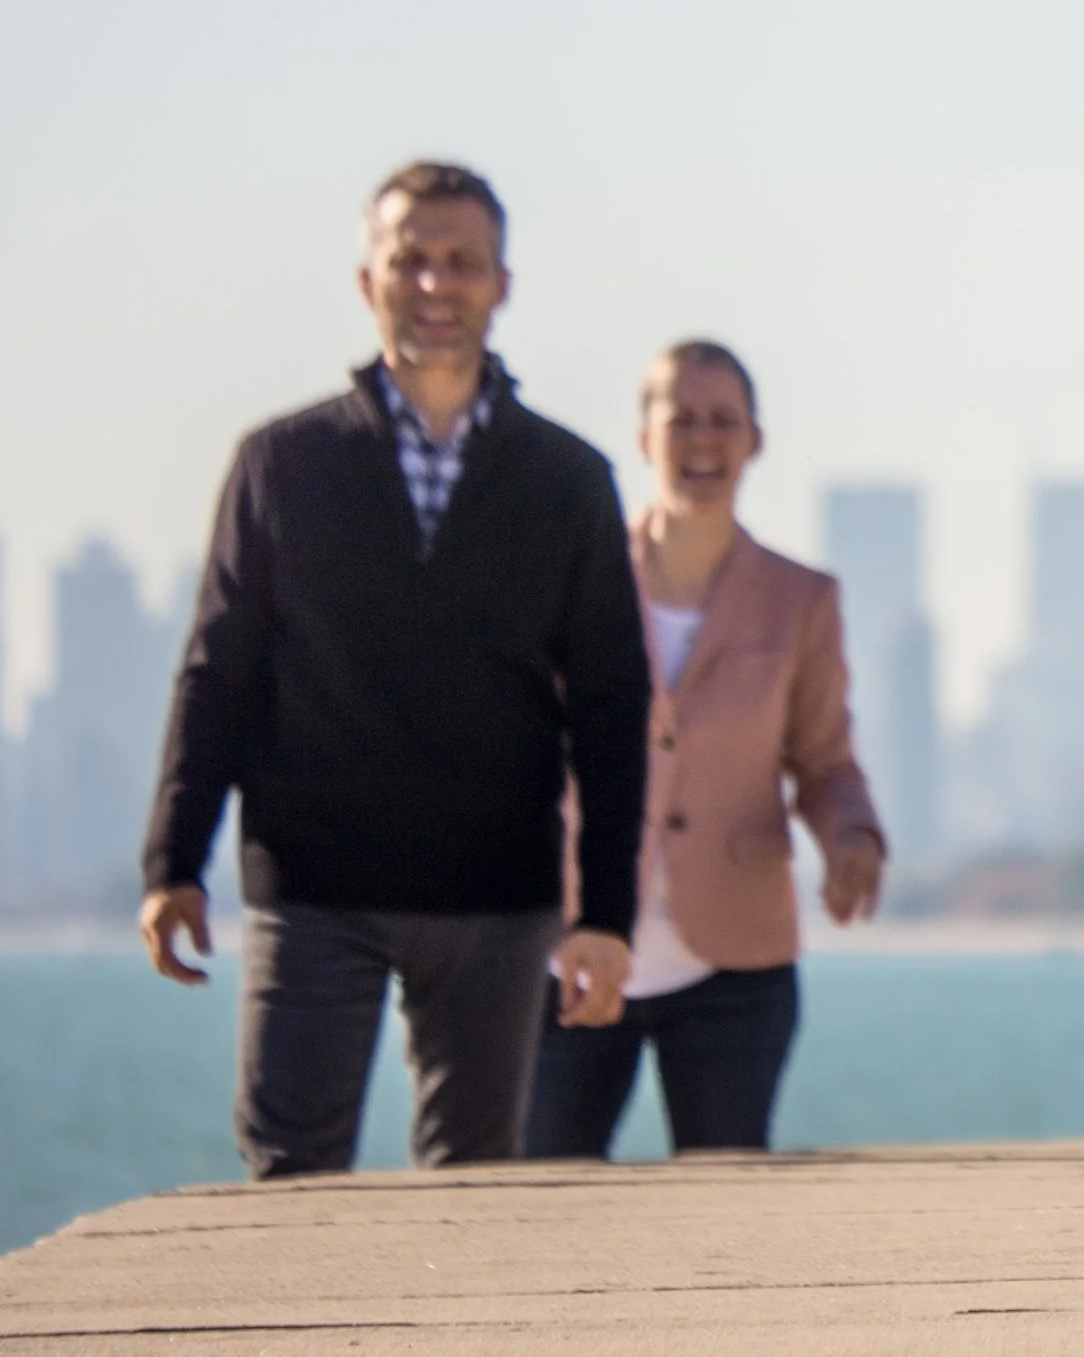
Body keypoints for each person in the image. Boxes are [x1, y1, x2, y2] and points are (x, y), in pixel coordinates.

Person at [138, 160, 650, 1178]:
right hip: (314, 888)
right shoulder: (280, 465)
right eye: (409, 259)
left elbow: (610, 704)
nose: (435, 283)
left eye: (462, 262)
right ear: (367, 281)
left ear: (501, 284)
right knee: (291, 1176)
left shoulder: (568, 479)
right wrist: (172, 861)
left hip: (498, 900)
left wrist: (604, 917)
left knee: (474, 1195)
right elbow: (220, 672)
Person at [524, 340, 886, 1159]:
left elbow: (824, 760)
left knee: (725, 1213)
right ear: (645, 437)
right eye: (680, 418)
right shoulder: (571, 580)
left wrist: (852, 836)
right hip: (573, 953)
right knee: (534, 1199)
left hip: (734, 965)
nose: (703, 440)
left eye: (724, 420)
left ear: (754, 441)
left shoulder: (801, 600)